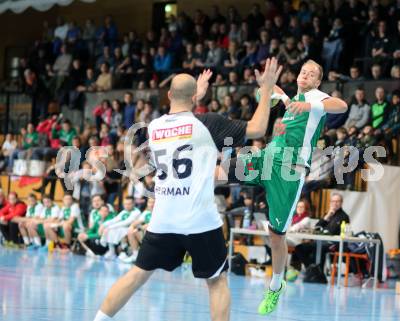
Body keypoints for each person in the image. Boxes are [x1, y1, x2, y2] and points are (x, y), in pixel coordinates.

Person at [93, 58, 282, 321]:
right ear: (195, 96)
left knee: (137, 274)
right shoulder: (209, 123)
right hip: (200, 221)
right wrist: (267, 89)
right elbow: (259, 128)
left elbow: (180, 121)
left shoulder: (153, 128)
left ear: (169, 94)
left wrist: (193, 98)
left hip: (164, 219)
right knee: (216, 282)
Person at [231, 60, 347, 315]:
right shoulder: (293, 99)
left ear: (318, 82)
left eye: (312, 73)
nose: (306, 75)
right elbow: (277, 97)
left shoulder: (316, 98)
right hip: (268, 157)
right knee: (222, 170)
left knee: (277, 236)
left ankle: (276, 284)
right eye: (304, 71)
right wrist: (268, 89)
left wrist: (309, 104)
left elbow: (342, 105)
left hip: (289, 171)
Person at [295, 192, 350, 268]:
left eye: (337, 201)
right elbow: (317, 227)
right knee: (299, 248)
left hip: (333, 243)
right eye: (333, 201)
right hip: (320, 241)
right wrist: (327, 216)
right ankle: (311, 268)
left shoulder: (344, 216)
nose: (335, 203)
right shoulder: (328, 214)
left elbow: (332, 231)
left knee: (318, 248)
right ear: (330, 202)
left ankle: (317, 271)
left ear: (341, 203)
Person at [120, 198, 155, 264]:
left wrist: (139, 229)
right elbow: (137, 222)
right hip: (147, 236)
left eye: (153, 202)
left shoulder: (159, 214)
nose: (151, 204)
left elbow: (151, 224)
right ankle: (135, 255)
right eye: (150, 202)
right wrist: (131, 226)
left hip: (157, 237)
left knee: (137, 230)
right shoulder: (146, 213)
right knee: (131, 231)